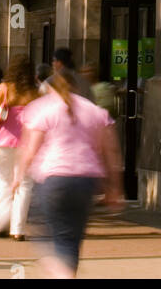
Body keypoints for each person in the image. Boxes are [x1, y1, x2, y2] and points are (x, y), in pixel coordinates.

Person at [15, 71, 123, 277]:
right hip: (86, 180)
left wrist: (18, 176)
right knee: (71, 240)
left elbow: (30, 150)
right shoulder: (94, 110)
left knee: (43, 236)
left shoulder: (43, 109)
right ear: (77, 88)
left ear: (49, 89)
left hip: (53, 178)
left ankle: (62, 275)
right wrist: (115, 187)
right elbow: (110, 152)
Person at [0, 56, 38, 238]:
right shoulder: (36, 92)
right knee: (25, 185)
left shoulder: (4, 89)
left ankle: (0, 222)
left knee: (2, 180)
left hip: (4, 141)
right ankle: (18, 229)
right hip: (28, 143)